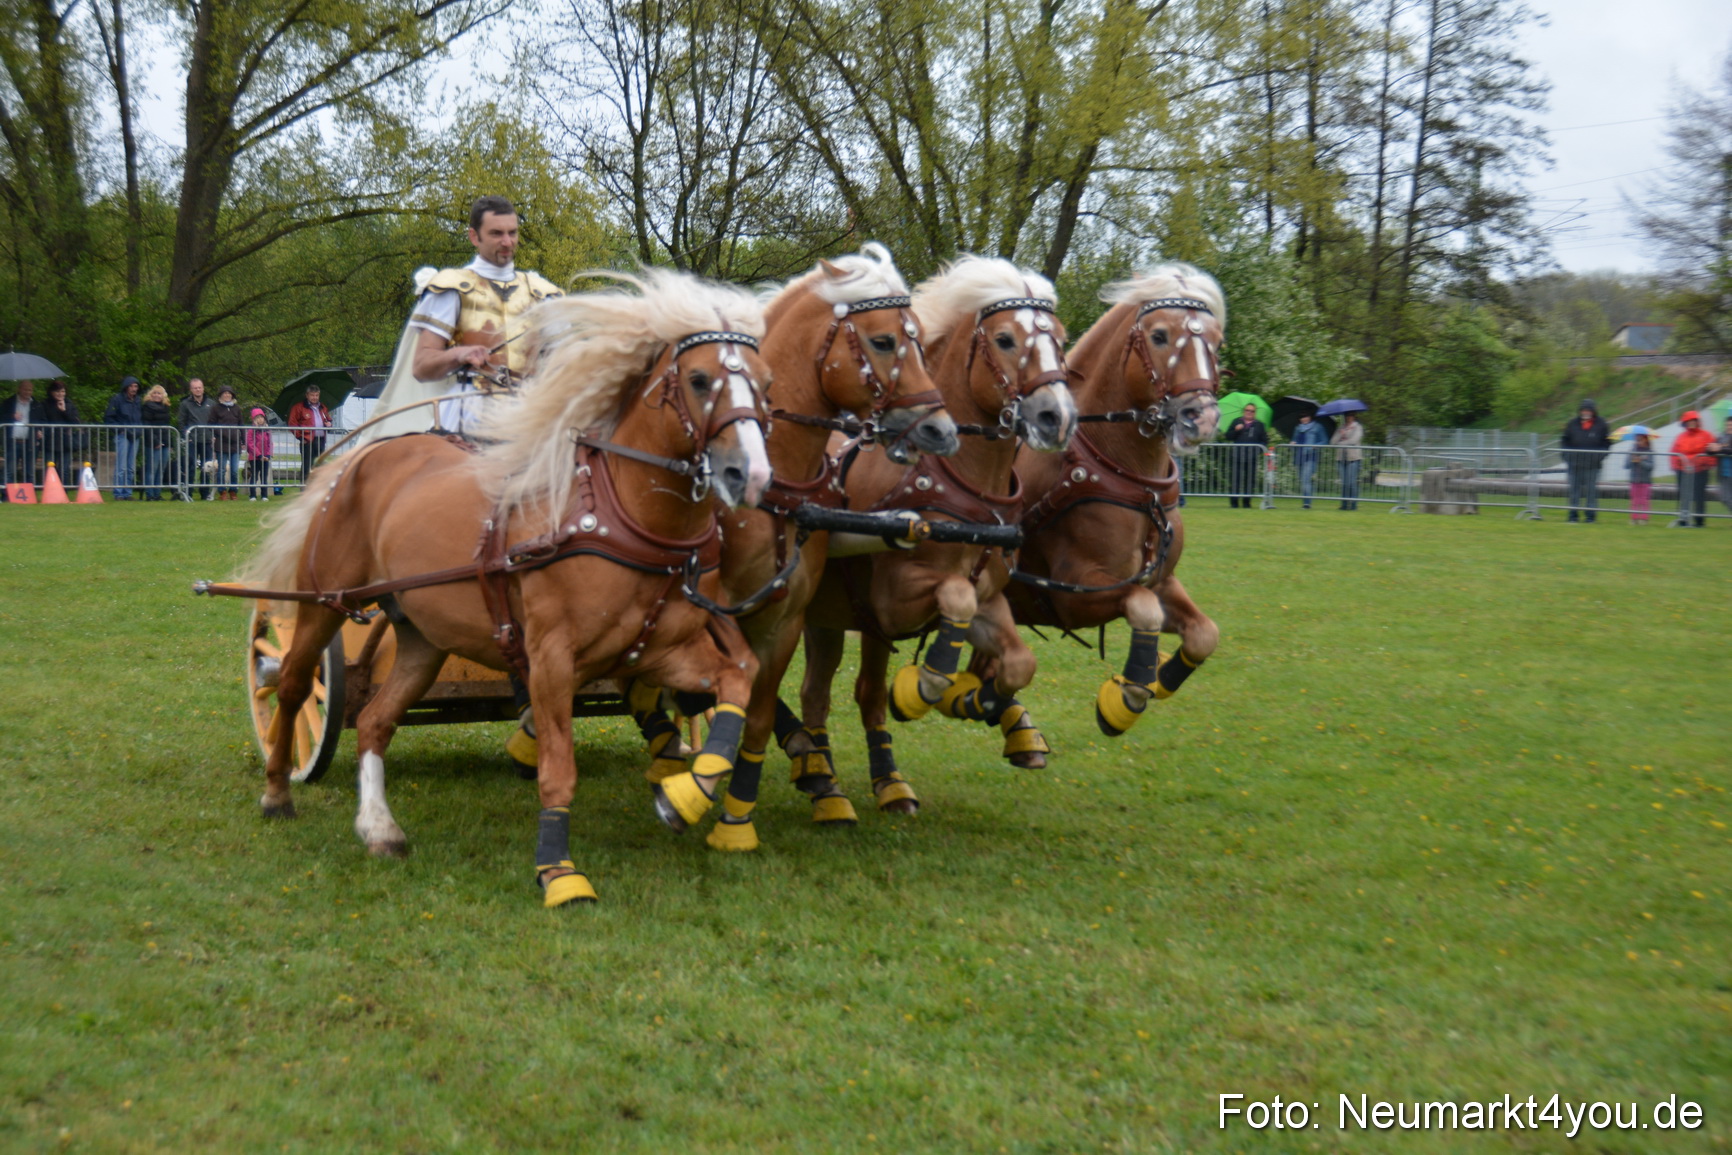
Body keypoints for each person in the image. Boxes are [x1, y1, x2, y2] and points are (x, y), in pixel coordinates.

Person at [407, 195, 563, 435]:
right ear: (474, 236)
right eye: (496, 233)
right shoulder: (453, 287)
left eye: (512, 233)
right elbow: (421, 367)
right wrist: (459, 354)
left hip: (531, 417)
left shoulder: (541, 292)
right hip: (467, 416)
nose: (507, 242)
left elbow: (566, 361)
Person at [1560, 399, 1612, 523]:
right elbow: (1564, 441)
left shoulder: (1602, 424)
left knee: (1591, 491)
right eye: (1584, 410)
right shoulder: (1572, 424)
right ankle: (1573, 516)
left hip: (1592, 466)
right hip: (1574, 464)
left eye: (1588, 410)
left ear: (1593, 411)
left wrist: (1598, 457)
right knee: (1573, 491)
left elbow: (1607, 443)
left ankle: (1590, 517)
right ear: (1580, 411)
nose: (1586, 412)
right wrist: (1567, 456)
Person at [1669, 410, 1714, 528]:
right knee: (1684, 495)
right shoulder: (1680, 437)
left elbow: (1711, 453)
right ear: (1685, 423)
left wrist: (1705, 463)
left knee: (1699, 496)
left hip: (1700, 471)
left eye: (1693, 421)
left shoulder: (1706, 435)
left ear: (1697, 421)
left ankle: (1699, 520)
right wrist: (1676, 466)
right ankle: (1683, 519)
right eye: (1688, 421)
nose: (1691, 423)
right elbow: (1674, 452)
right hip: (1683, 470)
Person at [176, 377, 217, 499]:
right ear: (191, 390)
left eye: (199, 387)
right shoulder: (185, 404)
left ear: (203, 388)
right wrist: (185, 436)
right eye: (195, 388)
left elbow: (215, 422)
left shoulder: (212, 403)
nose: (198, 390)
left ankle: (204, 493)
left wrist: (214, 436)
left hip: (207, 440)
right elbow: (181, 422)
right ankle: (188, 492)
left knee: (206, 468)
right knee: (190, 467)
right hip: (191, 440)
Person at [104, 376, 144, 500]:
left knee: (131, 467)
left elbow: (141, 418)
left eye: (136, 386)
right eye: (131, 386)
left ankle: (128, 492)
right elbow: (109, 418)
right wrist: (120, 430)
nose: (134, 389)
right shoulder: (117, 399)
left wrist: (139, 430)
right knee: (121, 466)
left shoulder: (138, 401)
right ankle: (118, 492)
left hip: (135, 435)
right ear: (126, 387)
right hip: (122, 435)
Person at [2, 379, 40, 499]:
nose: (28, 392)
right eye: (25, 389)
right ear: (19, 389)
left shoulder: (36, 404)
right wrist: (12, 416)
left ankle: (29, 497)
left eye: (30, 389)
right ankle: (6, 496)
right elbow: (1, 417)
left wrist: (40, 430)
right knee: (10, 470)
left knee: (29, 471)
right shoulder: (9, 402)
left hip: (29, 442)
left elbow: (42, 420)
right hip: (13, 441)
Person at [37, 380, 84, 476]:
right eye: (57, 391)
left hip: (66, 441)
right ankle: (50, 490)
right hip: (50, 441)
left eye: (63, 391)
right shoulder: (45, 404)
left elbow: (75, 422)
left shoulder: (69, 404)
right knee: (49, 468)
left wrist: (64, 411)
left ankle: (64, 490)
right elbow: (42, 420)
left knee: (64, 469)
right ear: (51, 392)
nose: (60, 394)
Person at [1225, 403, 1267, 508]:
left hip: (1252, 457)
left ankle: (1246, 502)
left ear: (1255, 413)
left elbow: (1265, 441)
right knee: (1235, 480)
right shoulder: (1236, 421)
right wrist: (1236, 430)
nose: (1249, 412)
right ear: (1244, 411)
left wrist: (1258, 451)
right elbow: (1228, 436)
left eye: (1252, 411)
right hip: (1237, 456)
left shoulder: (1259, 425)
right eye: (1247, 410)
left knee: (1250, 481)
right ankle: (1234, 503)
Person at [287, 385, 331, 486]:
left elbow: (328, 419)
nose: (315, 397)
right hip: (307, 440)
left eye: (317, 395)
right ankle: (304, 487)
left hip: (320, 440)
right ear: (307, 395)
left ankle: (317, 486)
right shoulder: (298, 407)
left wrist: (329, 423)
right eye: (312, 395)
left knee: (319, 464)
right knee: (307, 465)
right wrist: (300, 437)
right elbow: (292, 424)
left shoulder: (322, 407)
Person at [208, 386, 246, 499]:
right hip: (221, 443)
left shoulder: (237, 408)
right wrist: (220, 432)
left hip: (235, 443)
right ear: (220, 396)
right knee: (222, 469)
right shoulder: (215, 408)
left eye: (229, 393)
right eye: (224, 393)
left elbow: (241, 425)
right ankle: (222, 491)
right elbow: (210, 424)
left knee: (234, 470)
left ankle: (233, 491)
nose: (227, 395)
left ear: (232, 395)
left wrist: (243, 440)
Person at [140, 384, 175, 500]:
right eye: (154, 393)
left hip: (165, 441)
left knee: (161, 469)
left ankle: (157, 493)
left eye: (159, 393)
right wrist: (155, 442)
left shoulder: (166, 407)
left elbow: (167, 427)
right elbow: (147, 426)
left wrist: (170, 443)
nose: (156, 395)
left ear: (163, 396)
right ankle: (150, 494)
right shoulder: (147, 407)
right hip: (152, 442)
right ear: (150, 395)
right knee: (152, 469)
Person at [1290, 412, 1328, 509]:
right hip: (1299, 457)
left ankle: (1307, 504)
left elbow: (1324, 441)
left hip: (1311, 456)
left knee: (1306, 480)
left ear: (1310, 417)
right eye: (1301, 417)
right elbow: (1295, 440)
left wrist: (1316, 446)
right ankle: (1306, 501)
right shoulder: (1297, 428)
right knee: (1302, 480)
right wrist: (1292, 443)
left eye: (1306, 416)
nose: (1304, 418)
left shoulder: (1318, 427)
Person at [1331, 411, 1364, 510]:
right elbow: (1332, 442)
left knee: (1351, 483)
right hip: (1341, 458)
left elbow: (1354, 441)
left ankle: (1353, 505)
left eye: (1350, 415)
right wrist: (1341, 435)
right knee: (1344, 483)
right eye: (1347, 416)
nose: (1348, 417)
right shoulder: (1341, 428)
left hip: (1353, 458)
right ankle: (1344, 505)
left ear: (1354, 417)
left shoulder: (1357, 427)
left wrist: (1342, 440)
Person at [1626, 430, 1654, 525]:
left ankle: (1644, 518)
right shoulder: (1632, 451)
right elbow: (1626, 465)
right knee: (1634, 500)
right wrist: (1632, 459)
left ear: (1646, 440)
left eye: (1640, 439)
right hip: (1634, 480)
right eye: (1637, 440)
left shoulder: (1650, 452)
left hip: (1645, 480)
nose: (1638, 442)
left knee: (1644, 500)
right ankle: (1634, 518)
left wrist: (1640, 461)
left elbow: (1651, 466)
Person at [245, 408, 274, 500]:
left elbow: (270, 443)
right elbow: (250, 444)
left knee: (264, 476)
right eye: (257, 417)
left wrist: (269, 454)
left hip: (265, 457)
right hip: (254, 457)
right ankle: (252, 495)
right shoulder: (251, 430)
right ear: (254, 419)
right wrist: (259, 455)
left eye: (261, 417)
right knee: (254, 476)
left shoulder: (267, 430)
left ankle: (264, 495)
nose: (260, 419)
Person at [1711, 415, 1732, 517]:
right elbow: (1711, 450)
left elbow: (1729, 450)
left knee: (1727, 498)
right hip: (1723, 473)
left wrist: (1720, 449)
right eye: (1727, 424)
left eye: (1731, 425)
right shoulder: (1721, 437)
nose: (1729, 426)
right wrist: (1710, 448)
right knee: (1724, 498)